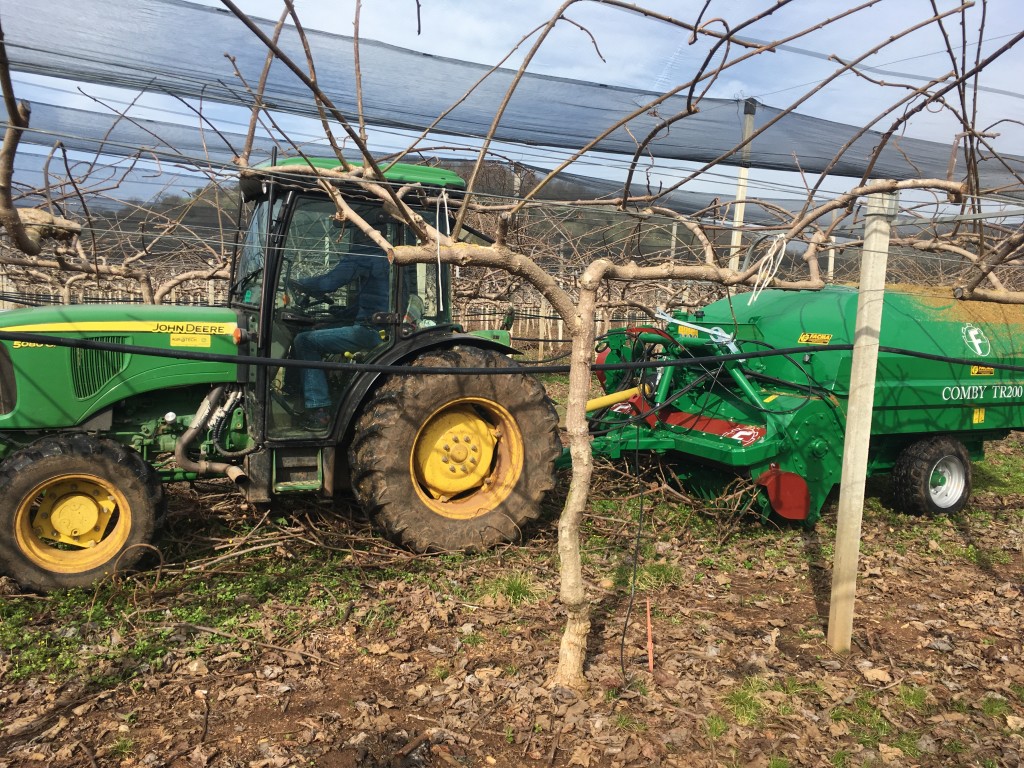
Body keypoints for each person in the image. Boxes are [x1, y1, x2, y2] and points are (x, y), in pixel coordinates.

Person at [286, 232, 390, 429]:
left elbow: (329, 283)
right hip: (378, 326)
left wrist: (298, 282)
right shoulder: (386, 255)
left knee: (303, 341)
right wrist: (338, 314)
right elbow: (370, 302)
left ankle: (319, 410)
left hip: (369, 331)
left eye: (350, 228)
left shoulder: (366, 253)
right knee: (317, 331)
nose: (348, 236)